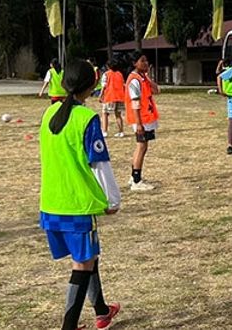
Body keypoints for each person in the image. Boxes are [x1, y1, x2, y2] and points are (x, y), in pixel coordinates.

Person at [38, 59, 122, 330]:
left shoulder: (49, 114)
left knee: (87, 257)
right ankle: (68, 326)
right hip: (77, 205)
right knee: (82, 265)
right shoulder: (86, 119)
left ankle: (102, 311)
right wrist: (112, 200)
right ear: (93, 85)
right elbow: (99, 163)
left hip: (51, 203)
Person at [125, 52, 158, 192]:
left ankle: (134, 176)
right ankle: (136, 180)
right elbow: (135, 103)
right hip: (141, 119)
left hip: (147, 118)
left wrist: (148, 77)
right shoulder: (134, 80)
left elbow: (157, 90)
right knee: (141, 146)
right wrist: (138, 123)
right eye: (142, 61)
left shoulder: (143, 78)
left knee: (142, 147)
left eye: (146, 61)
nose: (146, 63)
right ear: (135, 63)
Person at [99, 57, 126, 138]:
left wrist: (101, 95)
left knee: (105, 113)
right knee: (118, 115)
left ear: (108, 66)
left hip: (110, 96)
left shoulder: (106, 74)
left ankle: (105, 131)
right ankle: (121, 132)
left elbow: (104, 86)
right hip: (120, 96)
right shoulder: (120, 74)